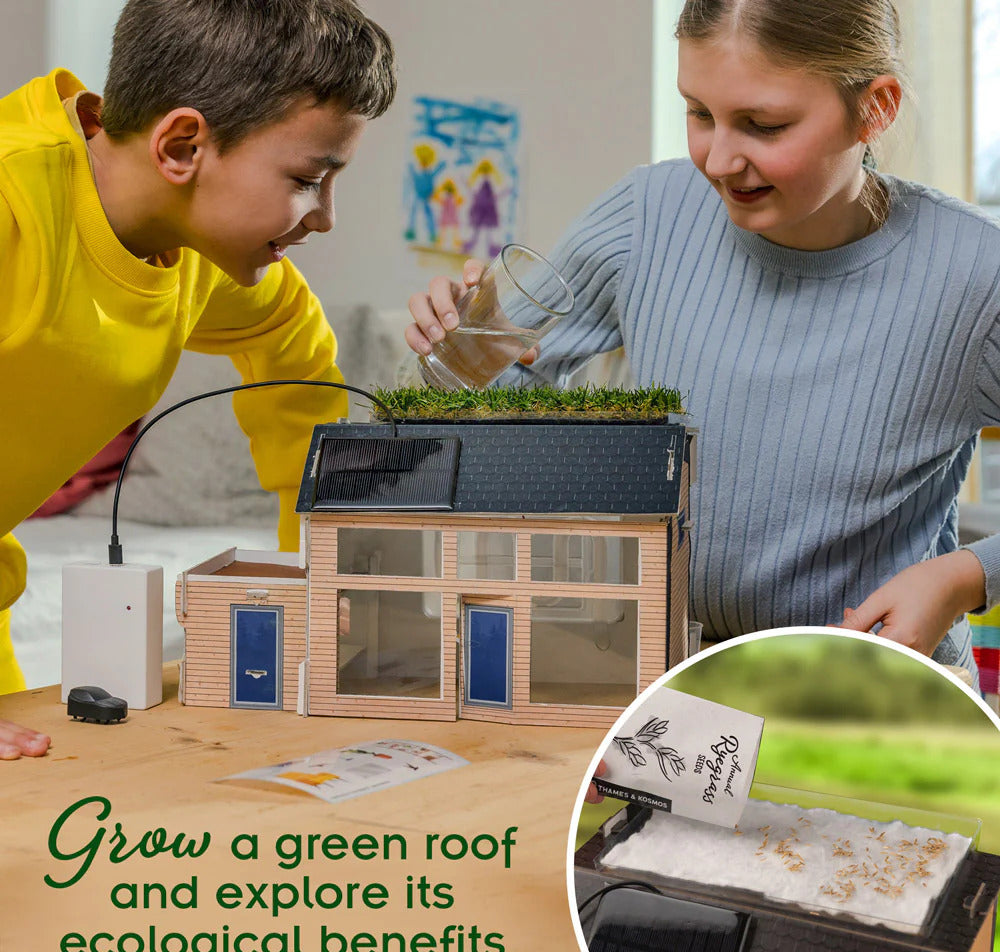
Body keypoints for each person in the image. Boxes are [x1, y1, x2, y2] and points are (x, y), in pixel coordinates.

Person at [406, 0, 1000, 690]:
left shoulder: (976, 275)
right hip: (667, 683)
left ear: (875, 107)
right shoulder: (647, 214)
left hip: (877, 700)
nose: (718, 160)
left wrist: (966, 576)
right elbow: (496, 409)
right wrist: (456, 351)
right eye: (699, 113)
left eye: (763, 124)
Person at [0, 0, 396, 757]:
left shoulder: (204, 264)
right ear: (182, 145)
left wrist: (319, 580)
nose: (326, 217)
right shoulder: (12, 204)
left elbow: (304, 392)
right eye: (310, 179)